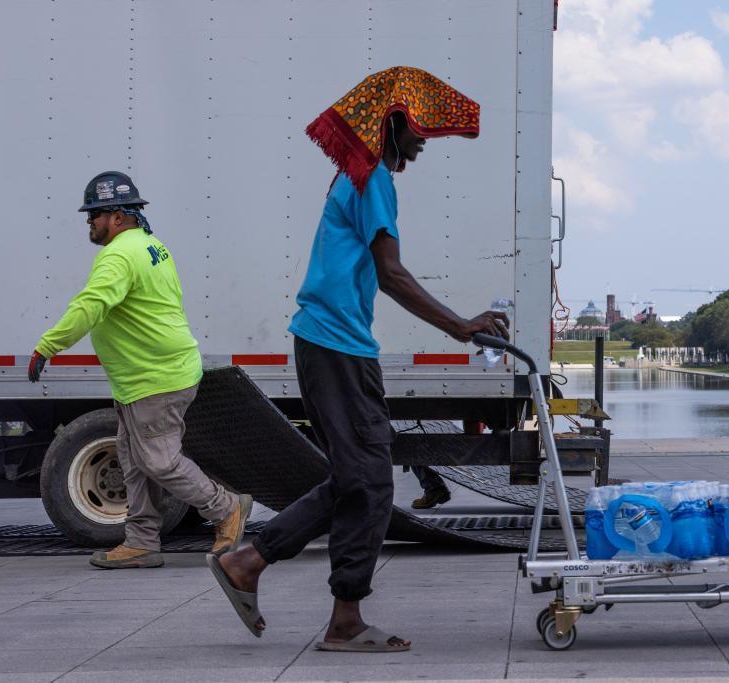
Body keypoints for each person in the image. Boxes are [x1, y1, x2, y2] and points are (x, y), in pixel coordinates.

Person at [208, 67, 507, 652]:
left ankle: (260, 569)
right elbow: (391, 273)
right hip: (336, 346)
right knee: (368, 480)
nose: (424, 142)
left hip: (331, 344)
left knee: (358, 479)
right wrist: (460, 326)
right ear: (393, 125)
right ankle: (304, 595)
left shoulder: (359, 174)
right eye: (419, 130)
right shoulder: (372, 178)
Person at [28, 171, 253, 569]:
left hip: (156, 378)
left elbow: (90, 305)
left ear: (117, 217)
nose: (89, 222)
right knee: (134, 462)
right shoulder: (151, 245)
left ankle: (227, 508)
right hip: (143, 377)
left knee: (159, 461)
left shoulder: (119, 255)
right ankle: (142, 542)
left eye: (95, 215)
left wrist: (49, 345)